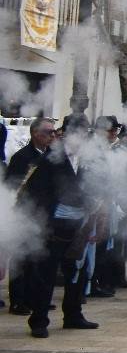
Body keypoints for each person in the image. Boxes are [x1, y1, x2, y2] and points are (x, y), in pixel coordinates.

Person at [21, 120, 98, 337]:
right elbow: (36, 193)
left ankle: (73, 314)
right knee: (46, 274)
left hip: (78, 225)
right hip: (54, 225)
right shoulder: (51, 159)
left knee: (76, 272)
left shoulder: (85, 160)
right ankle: (39, 320)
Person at [5, 117, 55, 316]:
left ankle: (36, 298)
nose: (52, 135)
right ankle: (18, 300)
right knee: (21, 259)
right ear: (35, 133)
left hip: (43, 215)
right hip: (24, 213)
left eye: (53, 132)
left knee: (37, 259)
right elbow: (12, 186)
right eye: (48, 132)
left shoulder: (51, 156)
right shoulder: (22, 156)